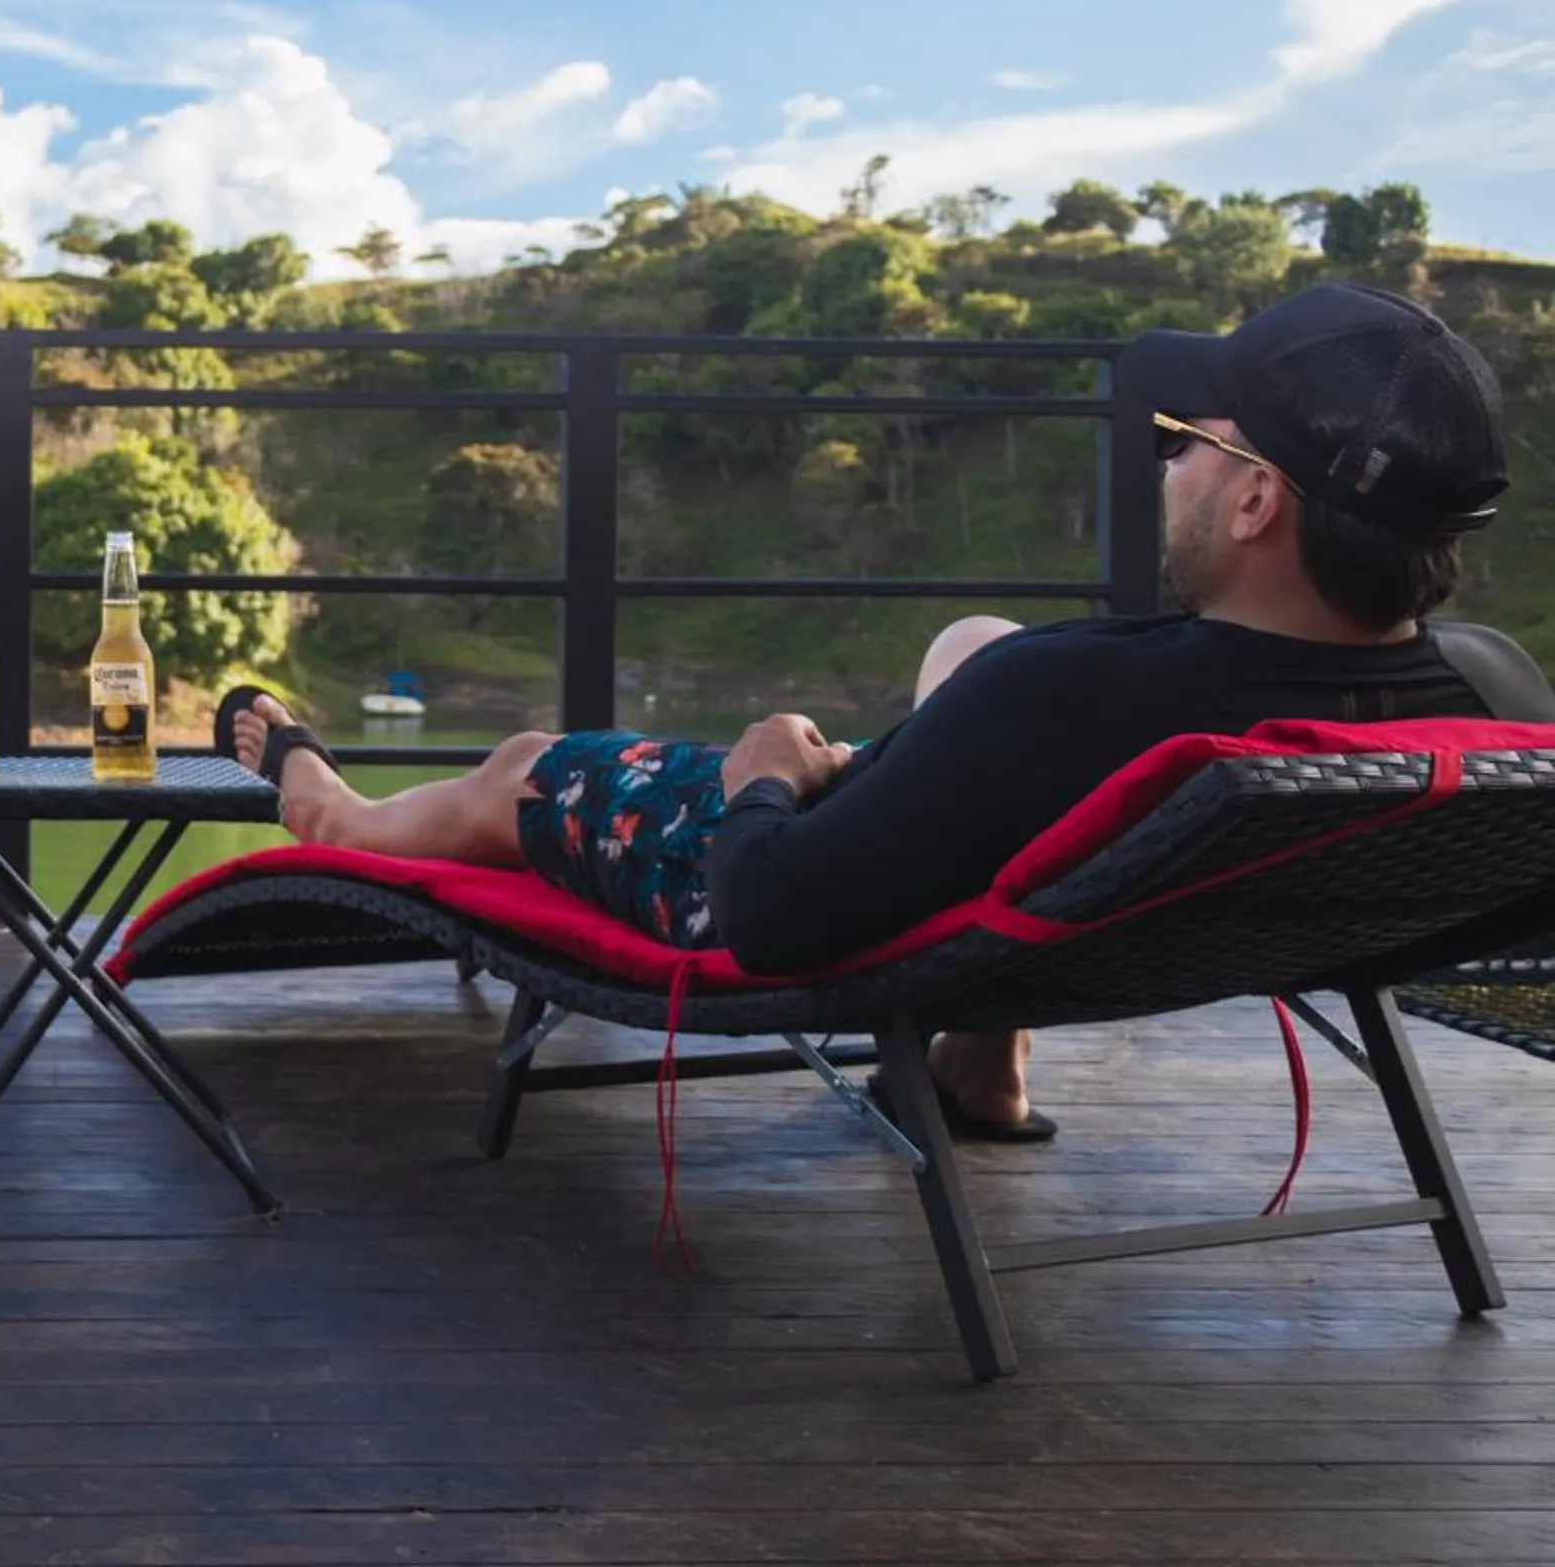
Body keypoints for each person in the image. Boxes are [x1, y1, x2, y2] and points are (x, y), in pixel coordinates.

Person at [228, 283, 1528, 1140]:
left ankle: (322, 804)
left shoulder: (1070, 696)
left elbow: (773, 914)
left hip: (794, 877)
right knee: (972, 643)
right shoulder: (1491, 688)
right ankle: (983, 1063)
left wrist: (765, 770)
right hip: (1128, 905)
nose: (1166, 462)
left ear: (1257, 503)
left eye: (1189, 440)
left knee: (520, 766)